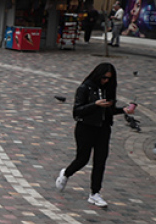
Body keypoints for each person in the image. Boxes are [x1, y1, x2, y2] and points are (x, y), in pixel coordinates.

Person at [56, 63, 135, 208]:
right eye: (104, 78)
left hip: (103, 128)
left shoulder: (108, 90)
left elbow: (109, 111)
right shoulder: (85, 88)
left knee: (100, 160)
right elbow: (77, 111)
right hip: (85, 128)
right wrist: (95, 105)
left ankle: (95, 193)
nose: (106, 81)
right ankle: (66, 173)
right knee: (82, 159)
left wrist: (123, 110)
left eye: (109, 79)